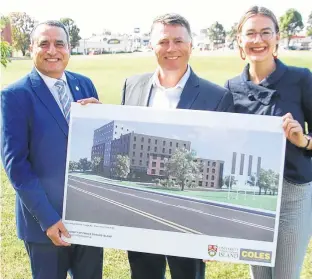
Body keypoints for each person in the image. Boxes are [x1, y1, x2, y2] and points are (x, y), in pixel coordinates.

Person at [122, 13, 234, 279]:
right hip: (141, 211)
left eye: (178, 41)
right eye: (163, 41)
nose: (171, 48)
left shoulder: (217, 96)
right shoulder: (132, 85)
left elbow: (220, 162)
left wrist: (213, 227)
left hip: (190, 215)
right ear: (151, 46)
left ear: (191, 45)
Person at [1, 20, 103, 279]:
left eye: (59, 43)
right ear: (31, 48)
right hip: (44, 223)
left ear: (69, 48)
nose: (52, 50)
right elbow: (17, 166)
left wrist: (102, 116)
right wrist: (47, 218)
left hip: (88, 216)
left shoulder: (85, 84)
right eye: (43, 44)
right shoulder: (15, 95)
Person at [225, 6, 312, 279]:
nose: (257, 40)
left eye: (265, 32)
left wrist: (303, 140)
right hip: (252, 196)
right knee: (260, 276)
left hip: (293, 194)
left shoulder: (301, 79)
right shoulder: (230, 88)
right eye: (250, 33)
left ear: (277, 38)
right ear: (239, 39)